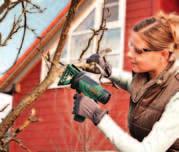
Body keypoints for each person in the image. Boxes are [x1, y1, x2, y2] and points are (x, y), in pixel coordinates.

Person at [72, 11, 179, 152]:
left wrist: (97, 115)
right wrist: (108, 71)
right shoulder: (151, 76)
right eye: (131, 46)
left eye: (139, 51)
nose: (129, 54)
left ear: (163, 54)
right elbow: (142, 88)